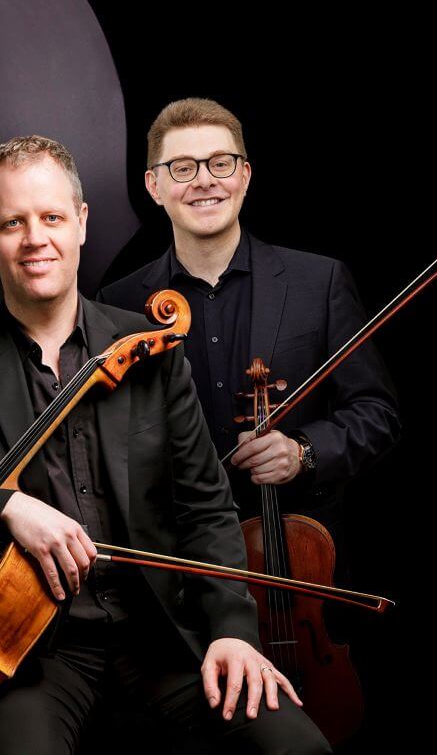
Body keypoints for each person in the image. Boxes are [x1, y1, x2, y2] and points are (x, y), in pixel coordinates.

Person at [0, 135, 330, 752]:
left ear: (80, 222)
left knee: (295, 747)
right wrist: (3, 508)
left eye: (50, 217)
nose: (34, 239)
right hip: (26, 653)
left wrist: (232, 630)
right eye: (13, 222)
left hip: (160, 636)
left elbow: (206, 509)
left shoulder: (151, 351)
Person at [98, 97, 399, 547]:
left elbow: (377, 413)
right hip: (178, 561)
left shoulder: (319, 282)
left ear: (245, 175)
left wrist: (304, 451)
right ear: (154, 186)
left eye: (220, 164)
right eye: (182, 168)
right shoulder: (117, 304)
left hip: (299, 552)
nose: (204, 181)